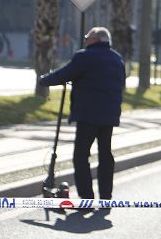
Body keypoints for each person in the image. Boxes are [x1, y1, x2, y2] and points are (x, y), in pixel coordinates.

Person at [38, 27, 126, 201]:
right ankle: (106, 196)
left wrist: (44, 80)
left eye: (87, 37)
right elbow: (121, 85)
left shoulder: (84, 56)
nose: (85, 40)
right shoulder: (118, 59)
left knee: (81, 155)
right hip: (109, 116)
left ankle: (87, 196)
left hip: (88, 114)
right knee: (105, 155)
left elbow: (64, 74)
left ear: (95, 39)